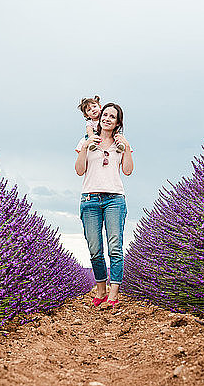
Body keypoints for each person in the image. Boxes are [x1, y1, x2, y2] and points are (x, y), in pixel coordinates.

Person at [74, 102, 134, 307]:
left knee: (115, 247)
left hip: (115, 199)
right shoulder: (86, 140)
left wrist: (126, 147)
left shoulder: (121, 143)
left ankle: (114, 293)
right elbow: (79, 170)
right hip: (90, 199)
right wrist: (86, 144)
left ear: (118, 123)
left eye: (112, 116)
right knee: (95, 249)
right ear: (99, 118)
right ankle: (101, 290)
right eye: (105, 114)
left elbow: (127, 171)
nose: (107, 118)